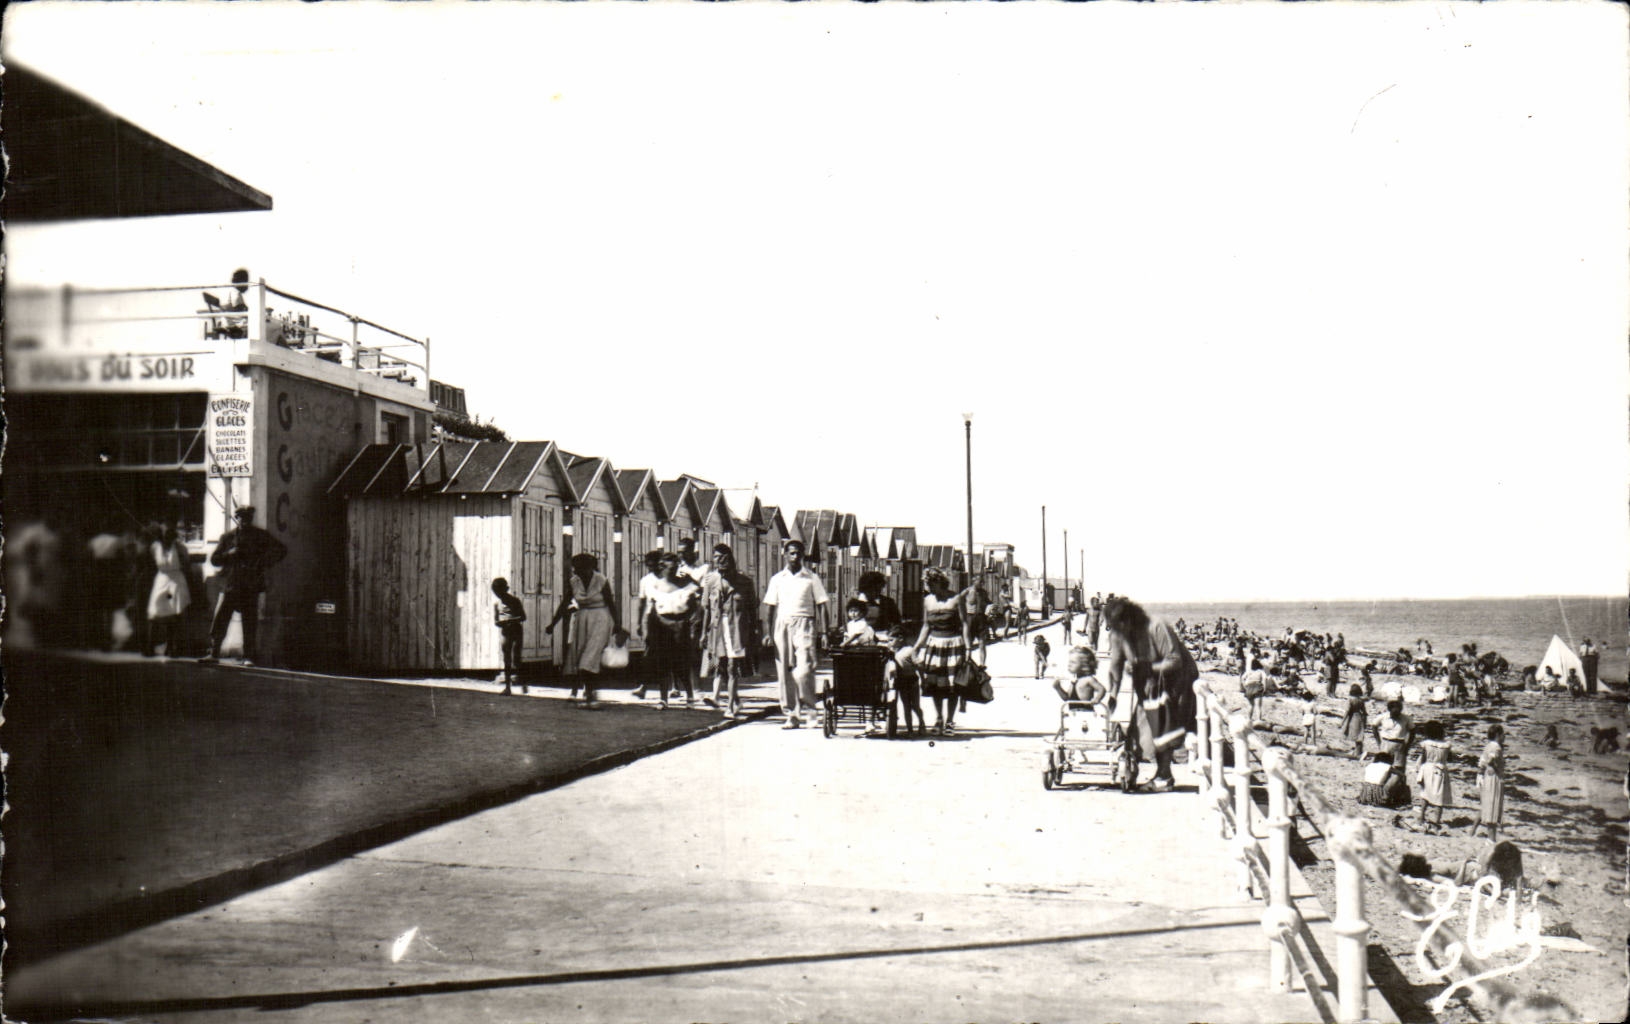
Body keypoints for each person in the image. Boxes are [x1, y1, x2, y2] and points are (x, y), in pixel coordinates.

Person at [1102, 595, 1198, 793]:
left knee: (1163, 730)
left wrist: (1146, 668)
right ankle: (1141, 771)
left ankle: (1164, 777)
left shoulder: (1156, 626)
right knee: (1140, 731)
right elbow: (1115, 666)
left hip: (1175, 684)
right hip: (1148, 686)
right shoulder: (1118, 635)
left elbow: (1174, 660)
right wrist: (1113, 695)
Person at [200, 506, 286, 665]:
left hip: (250, 585)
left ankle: (248, 656)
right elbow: (214, 559)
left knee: (249, 621)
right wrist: (229, 554)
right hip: (231, 584)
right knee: (221, 618)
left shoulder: (260, 536)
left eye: (248, 518)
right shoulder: (227, 537)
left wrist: (262, 562)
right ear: (236, 518)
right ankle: (213, 652)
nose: (245, 521)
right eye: (241, 517)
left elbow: (281, 550)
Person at [762, 539, 829, 729]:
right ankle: (791, 713)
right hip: (782, 625)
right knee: (784, 672)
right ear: (785, 554)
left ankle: (810, 710)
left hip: (805, 623)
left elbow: (822, 606)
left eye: (798, 553)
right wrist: (767, 633)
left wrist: (824, 632)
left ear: (803, 555)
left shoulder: (811, 578)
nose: (795, 556)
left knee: (804, 669)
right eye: (791, 553)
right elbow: (769, 608)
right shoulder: (777, 579)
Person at [546, 553, 620, 707]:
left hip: (600, 619)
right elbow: (564, 603)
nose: (575, 571)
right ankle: (589, 693)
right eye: (575, 568)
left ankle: (592, 697)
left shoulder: (601, 580)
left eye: (579, 568)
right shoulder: (574, 581)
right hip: (581, 620)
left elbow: (610, 603)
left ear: (590, 567)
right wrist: (553, 623)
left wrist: (617, 624)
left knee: (590, 657)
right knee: (579, 657)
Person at [700, 544, 759, 719]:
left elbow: (752, 611)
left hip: (737, 631)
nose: (720, 563)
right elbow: (707, 610)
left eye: (724, 559)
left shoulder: (745, 583)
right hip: (717, 630)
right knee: (721, 667)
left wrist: (754, 632)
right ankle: (735, 700)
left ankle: (731, 706)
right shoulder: (710, 581)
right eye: (716, 558)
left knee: (733, 668)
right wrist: (704, 633)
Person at [912, 567, 970, 736]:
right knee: (936, 684)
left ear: (940, 582)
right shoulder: (928, 600)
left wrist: (967, 648)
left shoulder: (956, 599)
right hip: (934, 645)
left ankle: (950, 720)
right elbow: (926, 625)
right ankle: (939, 718)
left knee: (952, 685)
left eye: (931, 583)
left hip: (953, 644)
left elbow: (965, 624)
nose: (928, 587)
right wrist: (916, 647)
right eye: (926, 584)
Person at [673, 538, 713, 698]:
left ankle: (696, 688)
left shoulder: (704, 568)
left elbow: (706, 590)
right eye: (679, 552)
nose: (682, 556)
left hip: (695, 609)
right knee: (675, 647)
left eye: (684, 552)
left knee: (692, 648)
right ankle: (674, 687)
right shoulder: (677, 568)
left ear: (693, 552)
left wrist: (690, 580)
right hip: (678, 608)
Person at [144, 524, 191, 657]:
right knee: (154, 612)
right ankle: (150, 646)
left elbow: (186, 564)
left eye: (169, 536)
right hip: (161, 579)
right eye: (164, 536)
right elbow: (151, 563)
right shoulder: (155, 547)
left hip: (176, 581)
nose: (166, 538)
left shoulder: (181, 548)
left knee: (174, 614)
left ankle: (171, 647)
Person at [1414, 719, 1452, 835]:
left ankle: (1421, 817)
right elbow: (1449, 758)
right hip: (1440, 771)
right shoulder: (1446, 745)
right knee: (1439, 797)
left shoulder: (1426, 744)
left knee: (1425, 793)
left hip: (1428, 769)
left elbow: (1424, 758)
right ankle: (1436, 823)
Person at [492, 577, 527, 695]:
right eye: (496, 592)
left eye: (499, 591)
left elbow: (523, 617)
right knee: (506, 658)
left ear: (505, 589)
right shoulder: (497, 604)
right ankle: (508, 687)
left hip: (516, 630)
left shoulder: (515, 601)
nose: (498, 594)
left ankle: (523, 683)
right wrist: (501, 623)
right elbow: (496, 621)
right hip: (505, 632)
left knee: (516, 658)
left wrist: (511, 620)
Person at [1476, 723, 1506, 842]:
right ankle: (1491, 839)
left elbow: (1482, 763)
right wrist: (1495, 766)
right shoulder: (1497, 747)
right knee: (1494, 806)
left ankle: (1490, 837)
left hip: (1488, 778)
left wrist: (1481, 773)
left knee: (1488, 805)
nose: (1504, 737)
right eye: (1503, 734)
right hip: (1494, 778)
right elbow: (1491, 760)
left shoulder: (1488, 746)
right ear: (1498, 735)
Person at [1340, 684, 1368, 759]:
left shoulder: (1350, 700)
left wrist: (1342, 722)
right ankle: (1359, 751)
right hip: (1359, 717)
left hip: (1352, 718)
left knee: (1355, 735)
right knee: (1359, 735)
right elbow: (1365, 712)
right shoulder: (1360, 700)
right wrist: (1365, 722)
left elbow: (1347, 711)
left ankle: (1358, 753)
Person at [1241, 658, 1268, 724]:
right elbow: (1264, 679)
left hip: (1249, 687)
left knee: (1250, 705)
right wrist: (1264, 688)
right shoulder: (1260, 671)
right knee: (1258, 705)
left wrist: (1245, 686)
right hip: (1257, 686)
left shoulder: (1249, 671)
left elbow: (1242, 678)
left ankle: (1249, 718)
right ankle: (1258, 719)